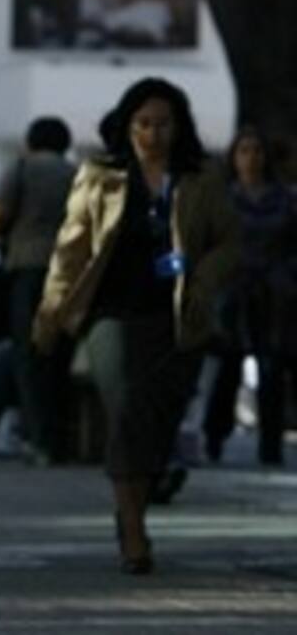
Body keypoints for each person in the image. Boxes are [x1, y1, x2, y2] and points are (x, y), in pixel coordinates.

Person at [34, 77, 239, 575]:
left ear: (179, 126)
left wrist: (201, 278)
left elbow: (228, 243)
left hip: (176, 316)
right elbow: (72, 248)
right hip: (113, 313)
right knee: (127, 409)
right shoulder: (101, 175)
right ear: (126, 126)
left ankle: (134, 509)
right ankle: (133, 531)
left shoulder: (201, 178)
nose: (153, 133)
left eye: (163, 123)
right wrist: (51, 312)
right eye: (144, 123)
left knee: (159, 421)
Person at [0, 116, 76, 464]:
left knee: (29, 356)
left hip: (28, 267)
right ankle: (62, 436)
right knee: (59, 356)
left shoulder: (22, 168)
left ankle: (39, 439)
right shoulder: (75, 174)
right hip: (67, 273)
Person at [203, 126, 297, 466]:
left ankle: (270, 446)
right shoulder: (224, 198)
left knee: (272, 368)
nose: (251, 158)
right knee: (228, 367)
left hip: (275, 291)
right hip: (234, 289)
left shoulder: (285, 198)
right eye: (244, 151)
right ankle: (214, 435)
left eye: (257, 151)